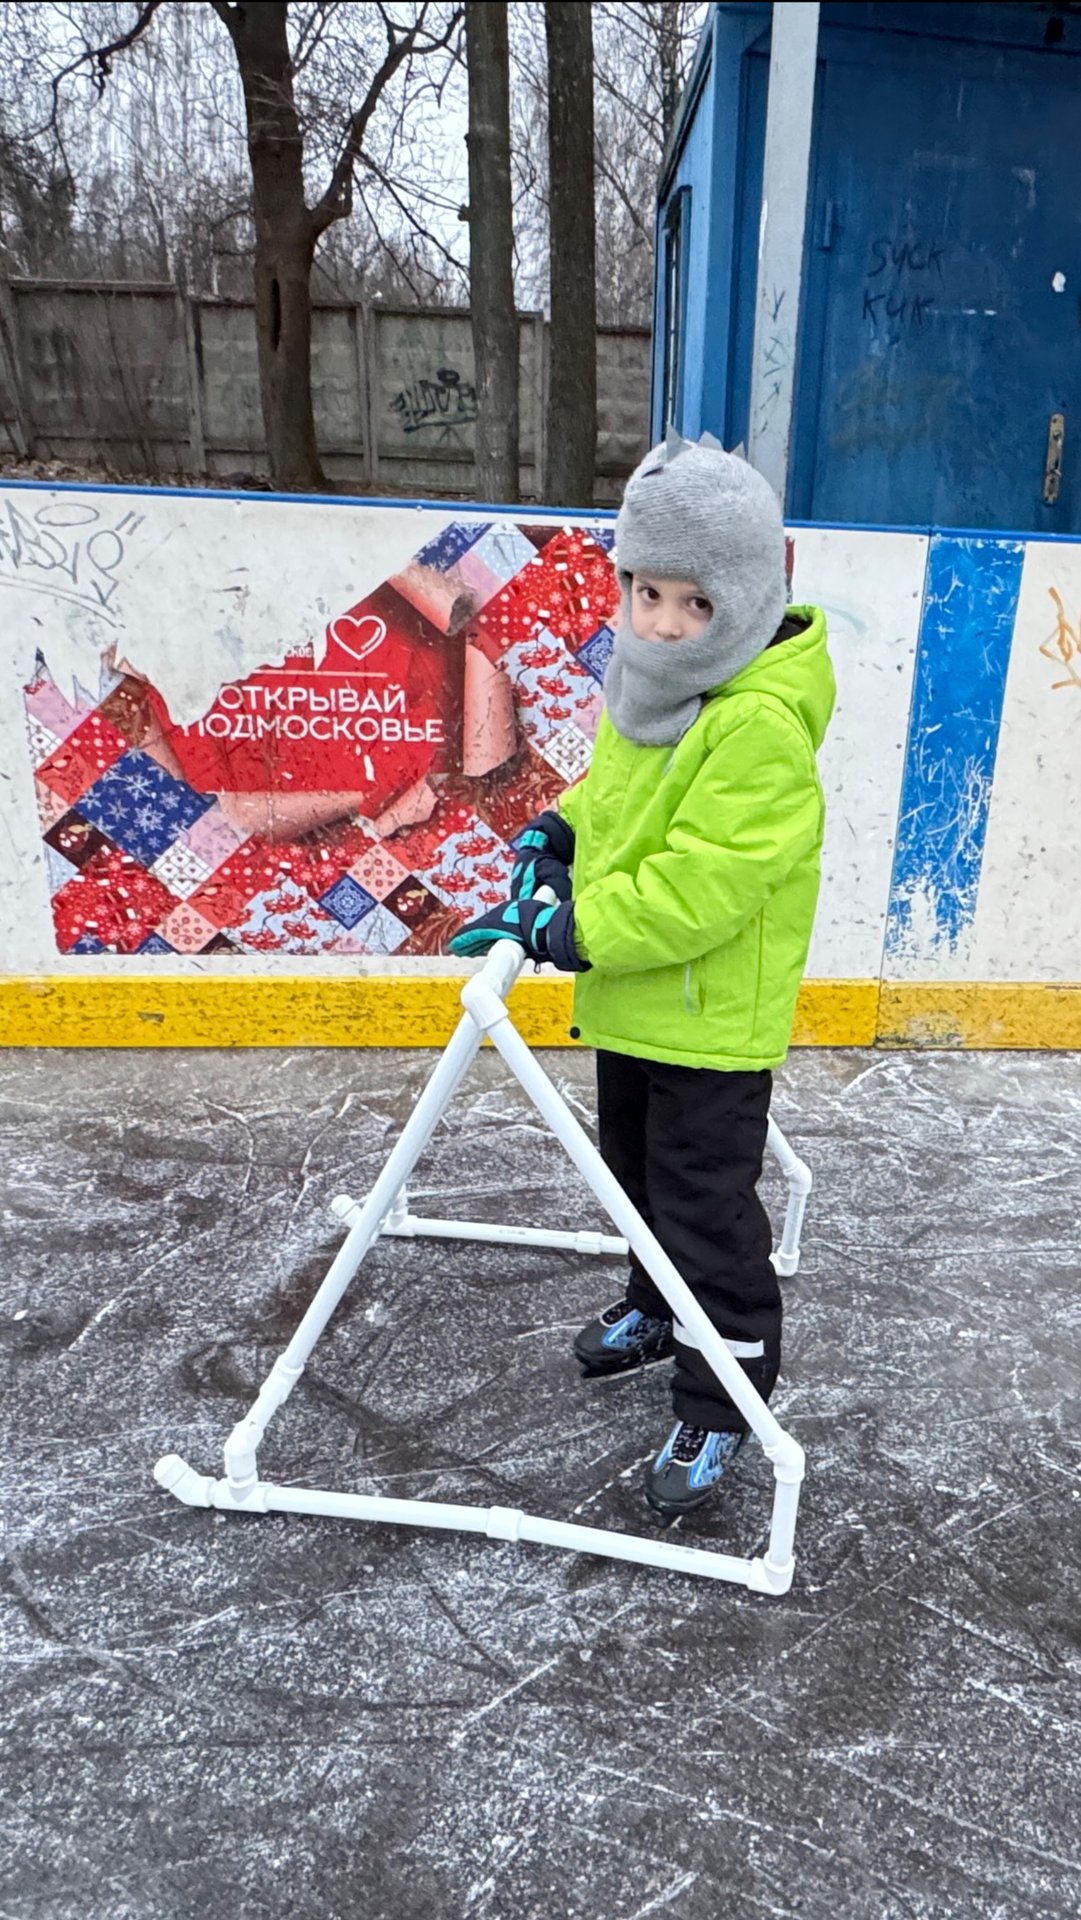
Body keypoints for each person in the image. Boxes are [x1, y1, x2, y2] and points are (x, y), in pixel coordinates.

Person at [450, 434, 835, 1519]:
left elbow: (699, 886)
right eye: (644, 591)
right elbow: (619, 806)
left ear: (753, 597)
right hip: (634, 1004)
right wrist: (559, 833)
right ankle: (653, 1302)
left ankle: (725, 1403)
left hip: (707, 1024)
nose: (661, 622)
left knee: (706, 1211)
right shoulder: (654, 681)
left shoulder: (756, 727)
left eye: (693, 604)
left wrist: (571, 928)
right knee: (634, 1177)